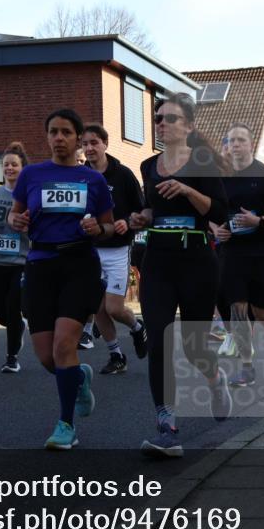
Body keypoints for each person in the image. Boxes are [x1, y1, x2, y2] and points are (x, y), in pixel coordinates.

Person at [130, 93, 229, 457]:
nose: (161, 123)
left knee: (194, 345)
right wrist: (142, 217)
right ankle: (166, 426)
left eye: (169, 118)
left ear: (187, 126)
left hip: (197, 260)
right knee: (158, 340)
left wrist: (188, 190)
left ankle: (215, 380)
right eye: (158, 118)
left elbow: (219, 211)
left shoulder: (203, 163)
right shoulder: (148, 166)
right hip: (158, 260)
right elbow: (150, 210)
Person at [8, 109, 115, 450]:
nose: (58, 138)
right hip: (40, 264)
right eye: (53, 131)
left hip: (79, 264)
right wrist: (17, 221)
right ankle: (79, 378)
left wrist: (98, 229)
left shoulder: (93, 180)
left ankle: (66, 425)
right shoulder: (32, 175)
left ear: (77, 138)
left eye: (66, 132)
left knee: (64, 345)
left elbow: (110, 225)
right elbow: (15, 214)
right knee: (46, 357)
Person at [211, 122, 264, 389]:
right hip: (232, 253)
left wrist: (259, 221)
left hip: (262, 254)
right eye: (231, 141)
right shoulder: (220, 178)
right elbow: (209, 212)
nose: (235, 145)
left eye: (240, 140)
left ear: (251, 144)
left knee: (263, 313)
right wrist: (216, 231)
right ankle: (247, 368)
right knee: (238, 310)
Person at [81, 123, 148, 374]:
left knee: (114, 308)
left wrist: (126, 221)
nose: (89, 148)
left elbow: (142, 210)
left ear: (105, 144)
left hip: (117, 249)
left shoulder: (123, 174)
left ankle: (138, 328)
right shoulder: (80, 176)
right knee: (97, 307)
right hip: (90, 251)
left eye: (94, 142)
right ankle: (116, 355)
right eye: (85, 143)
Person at [0, 142, 30, 373]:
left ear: (23, 168)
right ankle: (18, 327)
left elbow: (36, 228)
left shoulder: (29, 195)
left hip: (20, 260)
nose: (9, 168)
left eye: (14, 164)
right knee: (0, 313)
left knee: (12, 307)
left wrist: (24, 226)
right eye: (6, 165)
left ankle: (11, 357)